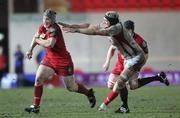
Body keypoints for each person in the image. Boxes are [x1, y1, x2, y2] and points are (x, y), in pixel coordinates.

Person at [59, 11, 170, 113]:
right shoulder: (111, 25)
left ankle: (123, 107)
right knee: (131, 85)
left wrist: (77, 31)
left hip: (136, 58)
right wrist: (73, 25)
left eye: (106, 20)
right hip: (127, 58)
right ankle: (157, 78)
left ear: (111, 22)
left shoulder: (116, 28)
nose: (104, 22)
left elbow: (94, 32)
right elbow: (90, 25)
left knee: (121, 82)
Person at [24, 9, 96, 114]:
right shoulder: (42, 27)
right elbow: (35, 37)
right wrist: (30, 49)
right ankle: (35, 106)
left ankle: (89, 93)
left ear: (53, 20)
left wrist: (38, 40)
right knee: (39, 78)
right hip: (50, 59)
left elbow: (49, 44)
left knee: (71, 87)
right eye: (44, 19)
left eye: (48, 19)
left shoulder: (54, 29)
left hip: (63, 61)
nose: (45, 21)